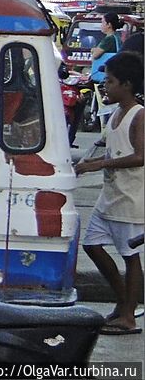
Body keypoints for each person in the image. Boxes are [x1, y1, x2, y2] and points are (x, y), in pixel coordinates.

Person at [74, 51, 144, 336]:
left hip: (130, 200)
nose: (105, 86)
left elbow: (141, 156)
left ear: (126, 85)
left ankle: (128, 315)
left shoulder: (139, 115)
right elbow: (102, 146)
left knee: (130, 256)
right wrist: (83, 164)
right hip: (110, 197)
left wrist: (99, 164)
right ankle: (123, 300)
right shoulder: (115, 114)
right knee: (91, 245)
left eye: (110, 81)